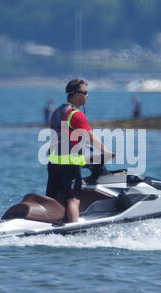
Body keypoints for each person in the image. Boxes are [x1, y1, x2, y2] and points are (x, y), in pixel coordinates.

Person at [46, 79, 114, 223]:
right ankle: (74, 228)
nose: (87, 95)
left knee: (53, 198)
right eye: (85, 92)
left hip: (53, 163)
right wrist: (106, 152)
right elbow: (90, 136)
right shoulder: (76, 114)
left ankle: (48, 223)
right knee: (73, 198)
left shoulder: (57, 111)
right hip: (69, 165)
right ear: (76, 94)